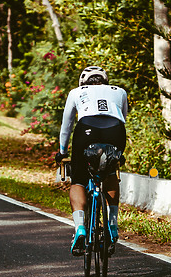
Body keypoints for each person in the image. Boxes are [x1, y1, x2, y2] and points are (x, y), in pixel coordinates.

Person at [54, 66, 129, 256]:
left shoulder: (76, 92)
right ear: (105, 79)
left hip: (86, 130)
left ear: (82, 82)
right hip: (115, 132)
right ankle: (112, 225)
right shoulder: (119, 91)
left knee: (78, 179)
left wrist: (62, 152)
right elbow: (123, 118)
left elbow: (67, 124)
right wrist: (120, 152)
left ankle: (80, 227)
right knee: (111, 172)